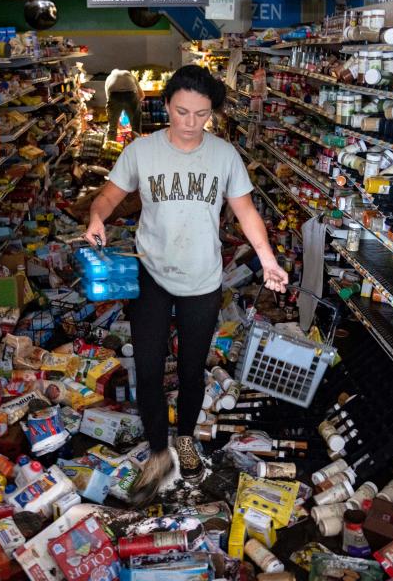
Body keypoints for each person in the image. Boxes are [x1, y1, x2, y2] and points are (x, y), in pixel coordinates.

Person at [85, 65, 289, 505]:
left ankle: (184, 438)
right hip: (152, 275)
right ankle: (158, 451)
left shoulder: (224, 156)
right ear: (167, 105)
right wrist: (97, 217)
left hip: (202, 279)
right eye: (182, 112)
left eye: (201, 115)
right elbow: (108, 196)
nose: (191, 124)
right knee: (151, 367)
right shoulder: (142, 151)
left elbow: (247, 212)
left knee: (194, 368)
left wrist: (268, 260)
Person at [105, 68, 144, 139]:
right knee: (136, 126)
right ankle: (138, 144)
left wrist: (115, 116)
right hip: (131, 94)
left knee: (112, 127)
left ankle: (110, 147)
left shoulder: (109, 78)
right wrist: (136, 105)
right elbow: (142, 95)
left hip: (114, 95)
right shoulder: (130, 75)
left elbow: (108, 99)